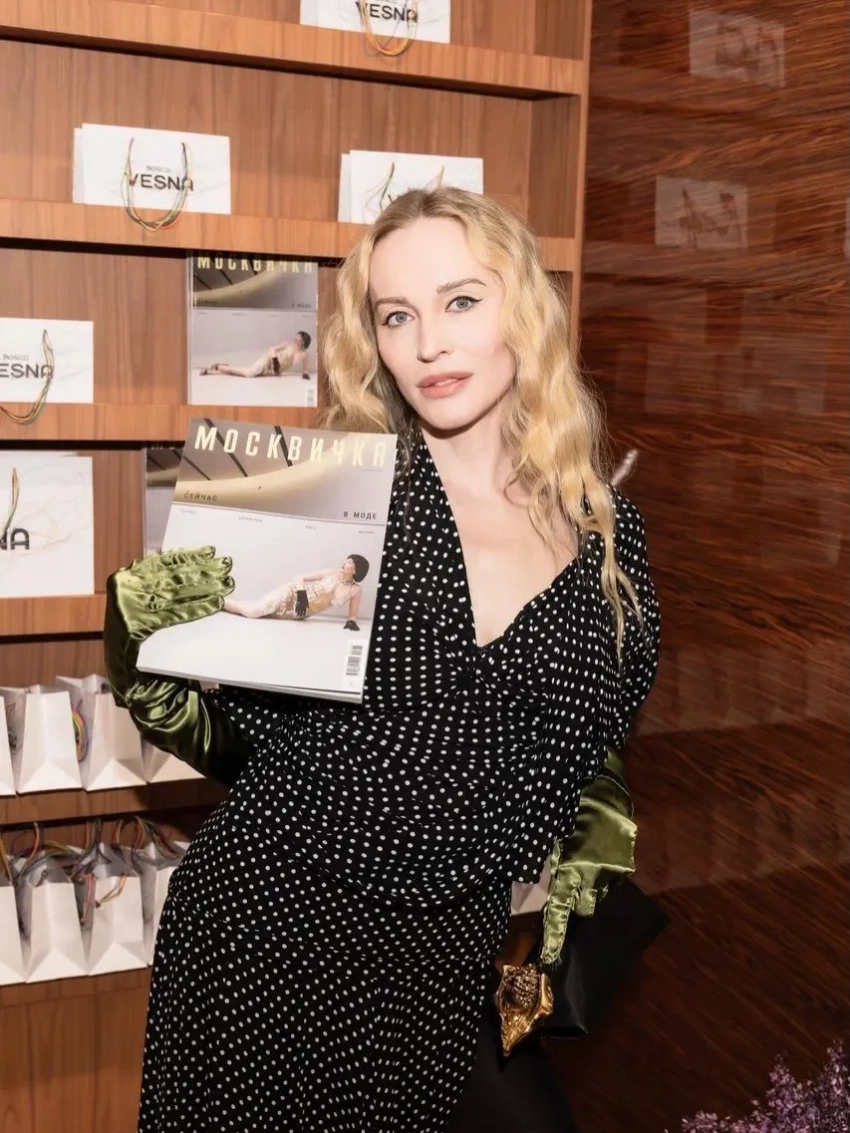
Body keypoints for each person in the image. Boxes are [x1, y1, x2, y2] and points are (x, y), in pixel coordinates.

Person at [104, 186, 660, 1132]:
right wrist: (148, 632)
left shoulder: (606, 534)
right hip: (270, 933)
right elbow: (231, 732)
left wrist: (566, 902)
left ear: (525, 308)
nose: (429, 344)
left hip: (448, 964)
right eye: (396, 315)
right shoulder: (333, 495)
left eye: (461, 301)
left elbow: (594, 753)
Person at [222, 554, 368, 630]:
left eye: (350, 562)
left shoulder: (355, 590)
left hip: (298, 613)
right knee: (254, 612)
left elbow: (353, 615)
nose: (345, 563)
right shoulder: (330, 573)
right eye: (346, 560)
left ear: (356, 570)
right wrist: (301, 594)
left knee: (259, 612)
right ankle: (218, 600)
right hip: (291, 593)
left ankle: (223, 602)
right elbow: (299, 577)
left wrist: (351, 623)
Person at [200, 330, 312, 378]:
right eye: (296, 337)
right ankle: (220, 367)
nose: (295, 338)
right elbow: (272, 349)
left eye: (298, 337)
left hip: (273, 372)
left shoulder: (304, 355)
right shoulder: (288, 344)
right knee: (248, 374)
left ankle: (212, 371)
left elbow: (305, 370)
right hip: (267, 362)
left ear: (303, 341)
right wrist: (274, 361)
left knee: (241, 372)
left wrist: (305, 374)